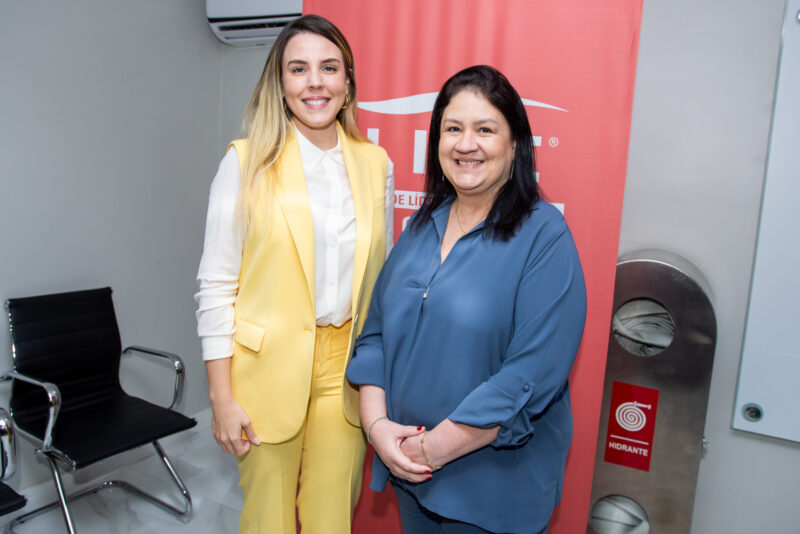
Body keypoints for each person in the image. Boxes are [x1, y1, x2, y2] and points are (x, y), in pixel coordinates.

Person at [346, 65, 587, 534]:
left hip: (493, 492)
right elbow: (374, 334)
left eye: (485, 130)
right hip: (412, 477)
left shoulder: (545, 237)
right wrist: (377, 428)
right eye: (453, 129)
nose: (465, 144)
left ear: (515, 144)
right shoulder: (423, 223)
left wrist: (429, 450)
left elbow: (528, 376)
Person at [195, 14, 393, 534]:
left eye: (329, 68)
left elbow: (381, 280)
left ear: (347, 82)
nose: (315, 83)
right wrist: (220, 397)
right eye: (298, 69)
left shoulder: (376, 164)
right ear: (280, 84)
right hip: (264, 369)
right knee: (270, 521)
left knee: (332, 518)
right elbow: (216, 286)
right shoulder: (245, 163)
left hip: (343, 369)